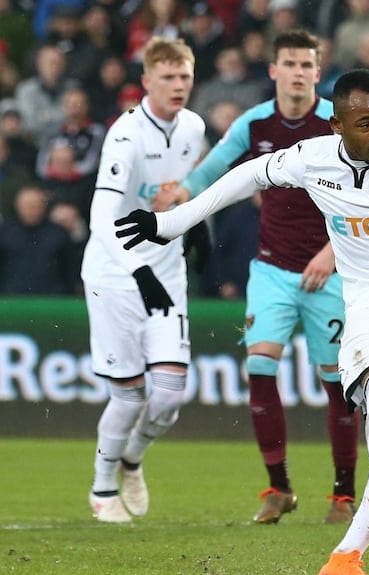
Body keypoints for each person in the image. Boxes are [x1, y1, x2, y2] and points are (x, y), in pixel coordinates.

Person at [112, 68, 369, 575]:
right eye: (366, 123)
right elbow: (247, 175)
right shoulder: (312, 158)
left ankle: (348, 552)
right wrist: (171, 223)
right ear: (337, 125)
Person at [154, 29, 362, 525]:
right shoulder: (256, 122)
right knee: (260, 365)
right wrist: (180, 194)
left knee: (336, 384)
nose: (297, 72)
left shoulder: (338, 123)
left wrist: (331, 252)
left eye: (306, 64)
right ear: (273, 71)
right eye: (288, 63)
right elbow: (215, 170)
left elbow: (367, 194)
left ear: (318, 70)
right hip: (270, 268)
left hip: (329, 271)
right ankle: (279, 487)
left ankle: (341, 494)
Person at [82, 37, 206, 523]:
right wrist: (138, 270)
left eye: (185, 77)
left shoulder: (194, 127)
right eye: (169, 78)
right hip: (115, 275)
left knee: (170, 396)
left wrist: (192, 223)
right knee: (130, 394)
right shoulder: (126, 136)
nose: (179, 86)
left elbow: (185, 187)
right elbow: (100, 216)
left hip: (167, 273)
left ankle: (132, 459)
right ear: (147, 81)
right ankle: (102, 487)